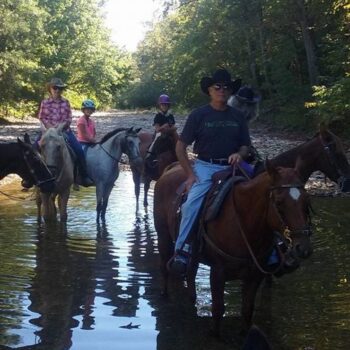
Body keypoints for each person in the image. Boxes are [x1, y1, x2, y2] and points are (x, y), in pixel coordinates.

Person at [169, 68, 252, 275]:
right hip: (206, 167)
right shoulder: (199, 115)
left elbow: (246, 146)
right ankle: (181, 250)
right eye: (218, 87)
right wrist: (190, 173)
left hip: (233, 166)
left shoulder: (238, 116)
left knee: (268, 188)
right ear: (209, 90)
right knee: (191, 204)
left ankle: (275, 247)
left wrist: (240, 154)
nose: (222, 90)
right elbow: (181, 146)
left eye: (226, 87)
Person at [38, 77, 93, 187]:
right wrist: (51, 128)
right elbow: (42, 117)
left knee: (79, 150)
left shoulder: (66, 102)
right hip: (48, 131)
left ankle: (83, 176)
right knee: (33, 148)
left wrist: (61, 127)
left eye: (60, 88)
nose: (57, 90)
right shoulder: (45, 102)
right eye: (55, 88)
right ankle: (32, 178)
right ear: (50, 89)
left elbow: (68, 118)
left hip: (64, 131)